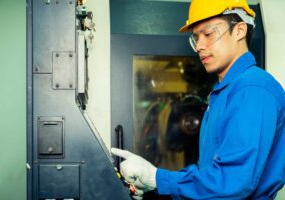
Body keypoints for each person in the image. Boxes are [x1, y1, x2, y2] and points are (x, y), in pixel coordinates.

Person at [111, 0, 285, 199]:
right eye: (196, 38)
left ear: (239, 31)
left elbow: (233, 181)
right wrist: (154, 180)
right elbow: (209, 170)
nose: (200, 46)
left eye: (208, 34)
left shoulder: (253, 89)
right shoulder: (224, 92)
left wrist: (158, 178)